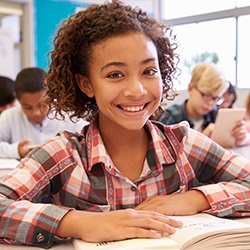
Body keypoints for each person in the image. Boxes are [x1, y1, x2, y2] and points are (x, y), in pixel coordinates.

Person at [0, 0, 249, 248]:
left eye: (149, 71)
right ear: (86, 84)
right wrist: (81, 223)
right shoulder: (63, 155)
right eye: (115, 75)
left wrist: (195, 199)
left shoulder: (184, 144)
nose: (136, 90)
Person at [0, 67, 88, 159]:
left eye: (42, 105)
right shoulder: (9, 116)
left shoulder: (71, 117)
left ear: (52, 95)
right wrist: (16, 151)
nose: (36, 113)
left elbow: (90, 142)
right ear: (17, 99)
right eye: (27, 107)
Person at [158, 62, 228, 137]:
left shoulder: (216, 115)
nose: (211, 103)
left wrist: (240, 138)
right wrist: (202, 140)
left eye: (216, 98)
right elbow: (159, 147)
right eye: (206, 96)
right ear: (190, 88)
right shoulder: (171, 117)